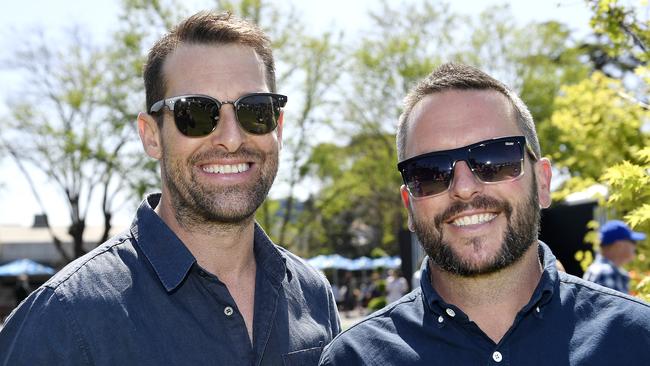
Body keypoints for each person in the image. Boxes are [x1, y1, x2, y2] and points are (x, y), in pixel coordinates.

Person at [0, 11, 339, 365]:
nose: (231, 138)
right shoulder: (61, 321)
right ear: (151, 136)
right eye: (195, 113)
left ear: (278, 128)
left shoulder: (313, 295)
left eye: (255, 110)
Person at [319, 63, 650, 365]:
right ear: (409, 204)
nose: (464, 187)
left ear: (543, 182)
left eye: (496, 159)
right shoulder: (353, 359)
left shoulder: (637, 340)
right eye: (430, 171)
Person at [583, 220, 646, 293]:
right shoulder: (606, 272)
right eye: (633, 242)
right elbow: (618, 304)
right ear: (619, 245)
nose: (635, 246)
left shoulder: (599, 269)